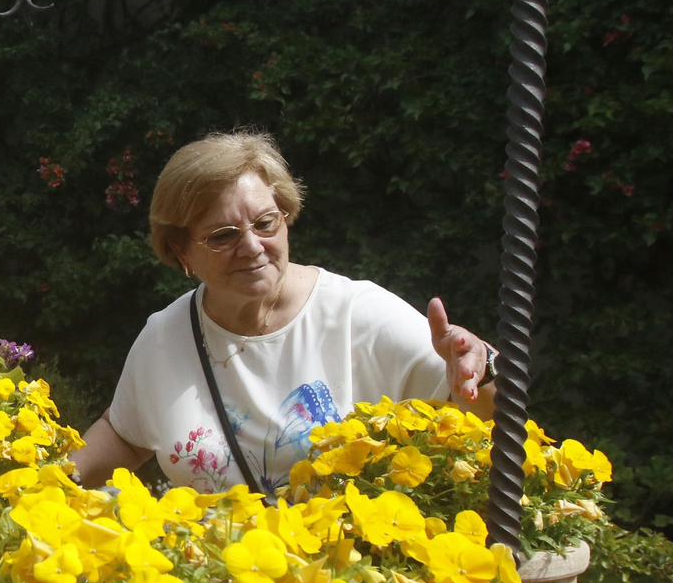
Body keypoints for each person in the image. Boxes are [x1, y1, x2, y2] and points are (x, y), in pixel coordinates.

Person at [71, 131, 496, 494]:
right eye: (223, 235)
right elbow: (124, 435)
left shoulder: (357, 314)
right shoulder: (165, 338)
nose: (252, 246)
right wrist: (45, 488)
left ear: (286, 217)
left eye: (265, 223)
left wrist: (481, 368)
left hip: (347, 582)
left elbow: (480, 410)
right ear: (181, 251)